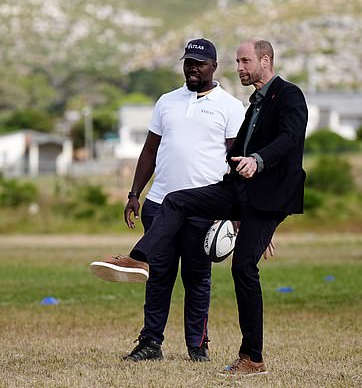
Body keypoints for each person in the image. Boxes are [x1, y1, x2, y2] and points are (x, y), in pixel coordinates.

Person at [92, 38, 307, 375]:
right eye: (237, 61)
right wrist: (136, 193)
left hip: (262, 199)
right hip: (219, 195)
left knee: (231, 271)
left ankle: (239, 354)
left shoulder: (284, 96)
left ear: (265, 60)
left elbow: (290, 139)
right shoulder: (254, 105)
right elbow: (234, 161)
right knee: (176, 207)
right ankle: (138, 260)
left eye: (245, 61)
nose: (240, 68)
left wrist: (258, 172)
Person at [90, 38, 245, 362]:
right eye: (188, 62)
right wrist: (135, 194)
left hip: (204, 207)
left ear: (214, 66)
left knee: (197, 279)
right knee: (156, 278)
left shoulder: (230, 106)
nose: (192, 68)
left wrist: (237, 210)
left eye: (200, 63)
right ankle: (150, 344)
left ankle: (197, 346)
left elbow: (236, 160)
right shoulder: (166, 102)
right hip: (160, 204)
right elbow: (149, 150)